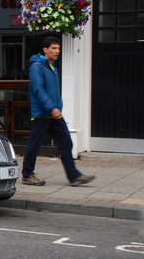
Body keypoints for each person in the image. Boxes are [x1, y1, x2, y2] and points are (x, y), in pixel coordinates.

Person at [21, 36, 96, 186]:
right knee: (34, 144)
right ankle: (27, 175)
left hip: (54, 114)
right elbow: (38, 90)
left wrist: (57, 107)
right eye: (54, 48)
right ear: (45, 50)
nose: (57, 51)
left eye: (59, 48)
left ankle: (73, 176)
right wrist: (51, 107)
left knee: (66, 142)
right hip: (42, 113)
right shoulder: (37, 67)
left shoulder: (52, 67)